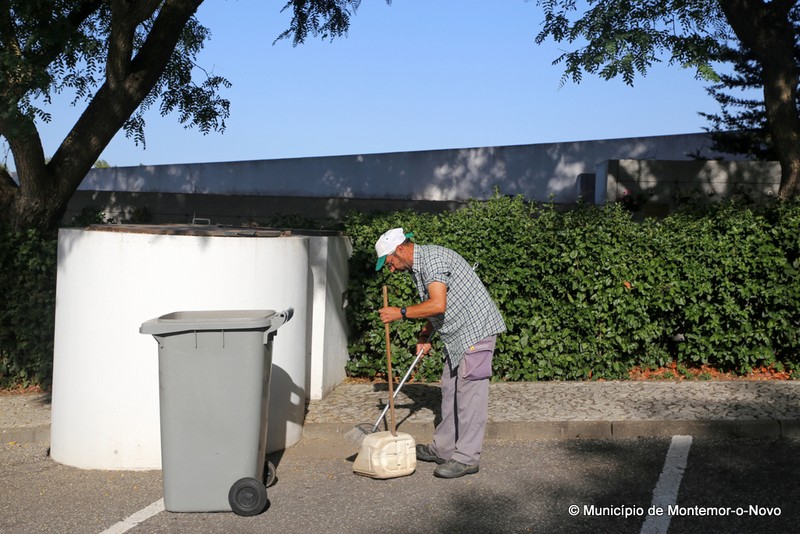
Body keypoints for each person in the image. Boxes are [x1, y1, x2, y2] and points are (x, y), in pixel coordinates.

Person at [375, 227, 506, 479]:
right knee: (449, 390)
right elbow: (435, 309)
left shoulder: (433, 260)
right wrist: (424, 336)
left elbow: (437, 304)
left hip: (475, 333)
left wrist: (399, 312)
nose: (390, 269)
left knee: (469, 397)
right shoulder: (419, 267)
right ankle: (443, 449)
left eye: (390, 262)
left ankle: (467, 458)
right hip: (456, 337)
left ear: (400, 250)